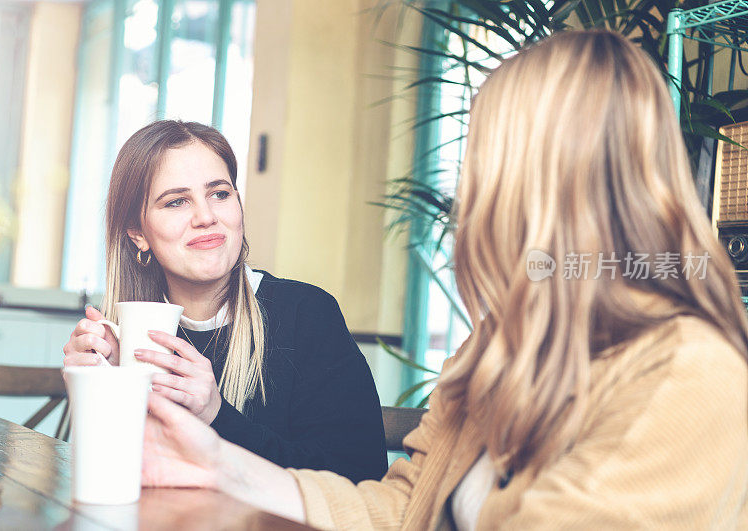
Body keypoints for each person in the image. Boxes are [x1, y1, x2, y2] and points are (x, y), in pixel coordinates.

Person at [138, 30, 748, 529]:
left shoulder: (693, 373)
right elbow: (404, 508)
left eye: (482, 159)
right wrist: (215, 461)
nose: (466, 193)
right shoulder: (503, 346)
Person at [62, 120, 388, 484]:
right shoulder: (128, 336)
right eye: (177, 201)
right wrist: (97, 390)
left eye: (219, 194)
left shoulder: (308, 314)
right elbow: (112, 479)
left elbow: (360, 480)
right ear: (138, 233)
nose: (206, 217)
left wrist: (217, 416)